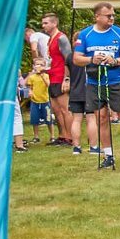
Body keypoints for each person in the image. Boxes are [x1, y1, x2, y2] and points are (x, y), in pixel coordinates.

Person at [72, 2, 120, 168]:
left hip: (115, 81)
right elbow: (76, 58)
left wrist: (115, 60)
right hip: (94, 82)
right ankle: (108, 155)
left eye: (113, 15)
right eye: (108, 15)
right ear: (97, 16)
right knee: (101, 118)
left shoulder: (118, 32)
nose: (112, 18)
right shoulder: (86, 34)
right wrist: (91, 59)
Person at [40, 13, 73, 147]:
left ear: (54, 23)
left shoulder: (61, 38)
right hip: (52, 76)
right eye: (43, 23)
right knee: (56, 109)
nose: (43, 26)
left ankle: (70, 137)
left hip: (60, 76)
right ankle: (62, 135)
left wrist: (67, 78)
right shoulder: (50, 39)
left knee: (64, 108)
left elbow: (68, 59)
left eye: (46, 23)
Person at [27, 62, 52, 142]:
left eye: (40, 65)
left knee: (48, 119)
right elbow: (30, 87)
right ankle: (36, 136)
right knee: (35, 119)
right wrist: (30, 91)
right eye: (36, 65)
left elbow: (48, 85)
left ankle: (52, 135)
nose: (38, 66)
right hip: (35, 101)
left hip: (45, 101)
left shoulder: (46, 76)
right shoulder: (32, 77)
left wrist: (42, 76)